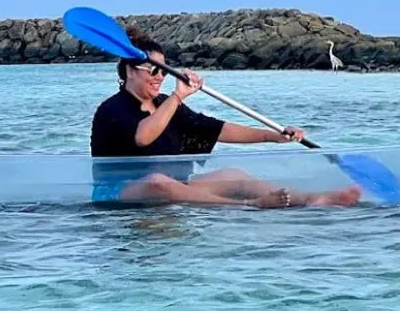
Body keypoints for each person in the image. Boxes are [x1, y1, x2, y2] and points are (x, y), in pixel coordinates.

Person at [89, 27, 360, 209]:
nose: (160, 77)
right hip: (118, 192)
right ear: (129, 71)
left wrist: (274, 136)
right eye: (152, 70)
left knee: (235, 176)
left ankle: (314, 200)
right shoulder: (112, 110)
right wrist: (178, 97)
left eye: (163, 71)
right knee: (157, 182)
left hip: (175, 185)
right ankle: (250, 206)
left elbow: (218, 129)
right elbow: (143, 136)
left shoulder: (164, 104)